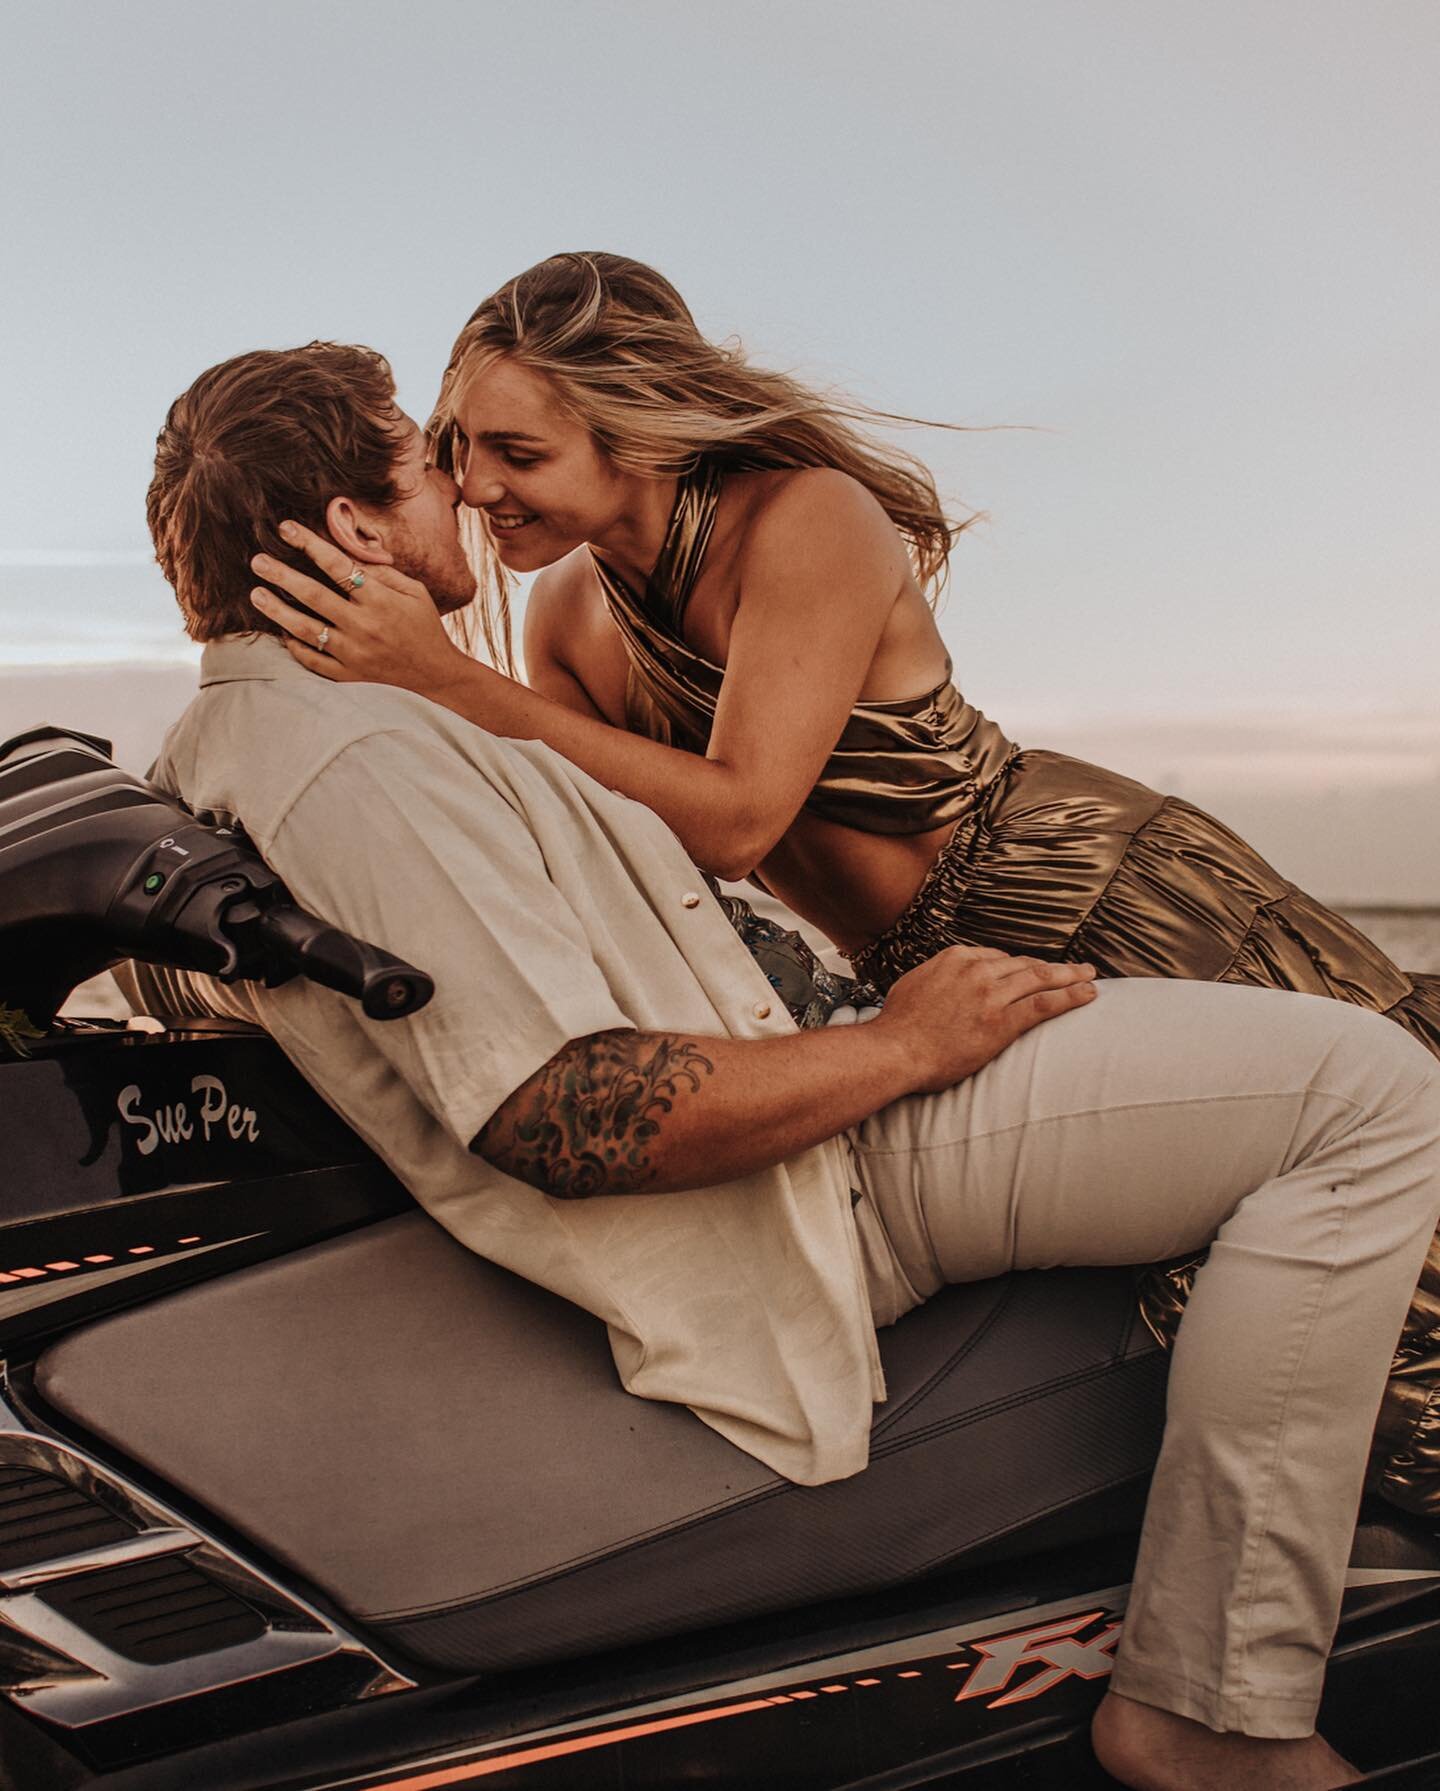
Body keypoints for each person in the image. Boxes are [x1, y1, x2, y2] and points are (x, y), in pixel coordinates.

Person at [144, 340, 1440, 1791]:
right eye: (423, 459)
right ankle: (1211, 1711)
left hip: (819, 1079)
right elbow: (564, 1112)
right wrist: (905, 1043)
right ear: (356, 532)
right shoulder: (353, 758)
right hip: (824, 1164)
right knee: (1370, 1095)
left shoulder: (276, 731)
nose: (459, 487)